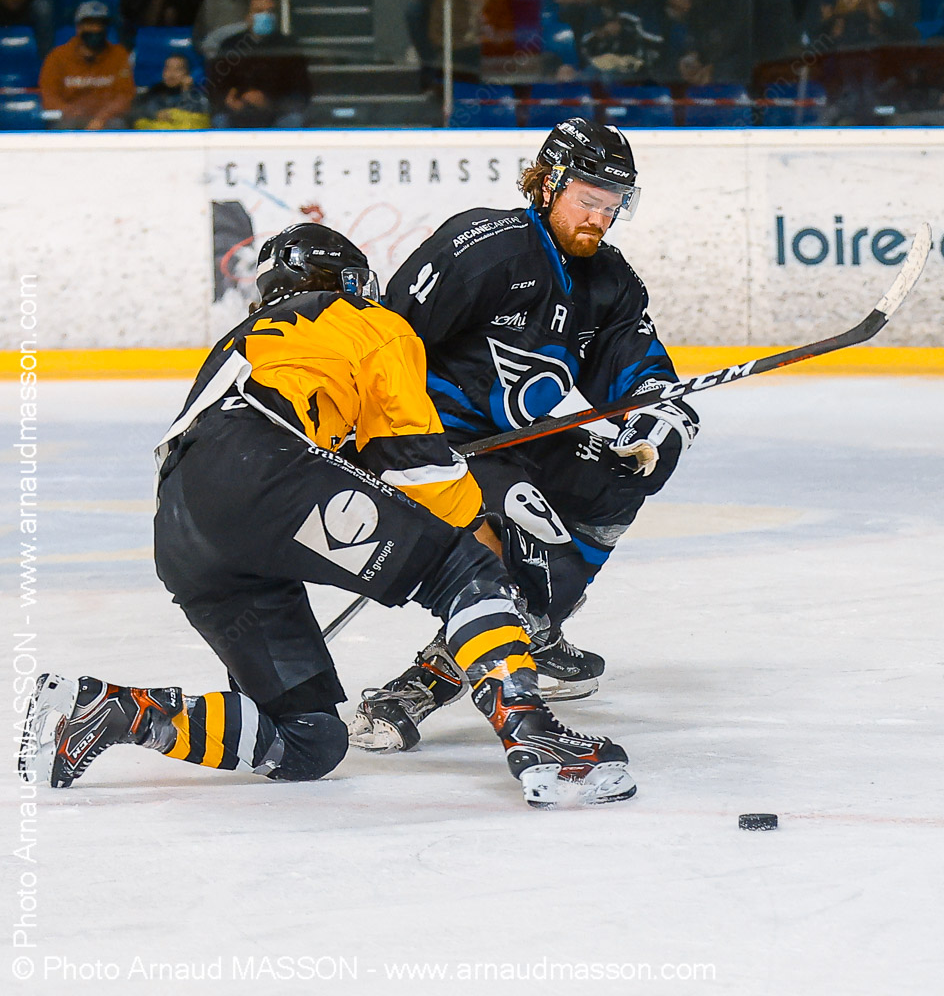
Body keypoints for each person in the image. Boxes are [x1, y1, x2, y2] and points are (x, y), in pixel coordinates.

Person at [17, 225, 635, 807]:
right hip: (262, 473)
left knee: (309, 741)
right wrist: (478, 536)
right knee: (466, 573)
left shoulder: (251, 340)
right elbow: (416, 464)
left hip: (181, 530)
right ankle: (537, 741)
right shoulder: (368, 321)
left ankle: (111, 713)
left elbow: (321, 448)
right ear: (350, 281)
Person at [348, 119, 697, 752]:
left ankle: (535, 626)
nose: (599, 218)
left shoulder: (609, 279)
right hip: (446, 444)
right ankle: (424, 684)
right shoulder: (486, 250)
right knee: (532, 544)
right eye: (587, 200)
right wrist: (369, 443)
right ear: (548, 183)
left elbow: (640, 363)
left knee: (626, 472)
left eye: (612, 205)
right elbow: (386, 342)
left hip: (525, 439)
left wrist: (656, 420)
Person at [208, 0, 310, 128]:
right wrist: (229, 101)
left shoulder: (288, 46)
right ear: (247, 16)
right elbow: (215, 85)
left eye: (270, 12)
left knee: (293, 120)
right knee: (220, 120)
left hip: (277, 115)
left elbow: (301, 90)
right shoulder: (230, 45)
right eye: (259, 11)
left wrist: (269, 103)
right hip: (237, 112)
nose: (265, 16)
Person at [39, 1, 133, 129]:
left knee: (117, 125)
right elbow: (49, 96)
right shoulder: (57, 56)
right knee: (64, 127)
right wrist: (72, 113)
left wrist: (102, 117)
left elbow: (125, 95)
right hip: (70, 117)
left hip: (106, 118)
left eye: (100, 24)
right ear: (78, 27)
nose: (95, 29)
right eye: (90, 24)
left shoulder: (119, 54)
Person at [131, 52, 210, 128]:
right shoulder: (154, 92)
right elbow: (137, 113)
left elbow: (197, 116)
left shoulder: (196, 95)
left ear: (188, 74)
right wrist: (155, 115)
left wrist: (186, 90)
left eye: (178, 69)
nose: (171, 73)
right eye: (168, 68)